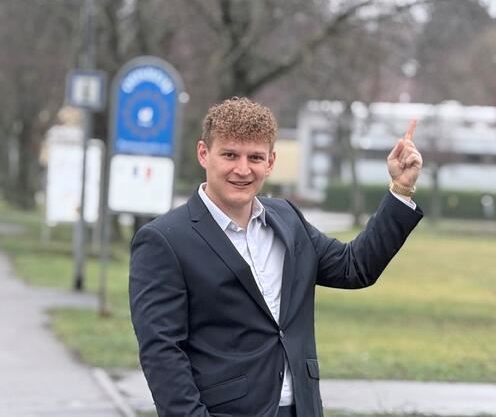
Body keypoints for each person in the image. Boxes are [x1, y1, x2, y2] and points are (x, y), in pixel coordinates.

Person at [129, 97, 423, 417]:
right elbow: (162, 352)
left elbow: (355, 267)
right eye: (230, 155)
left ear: (270, 162)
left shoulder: (287, 219)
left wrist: (400, 189)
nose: (243, 169)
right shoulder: (164, 240)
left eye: (255, 157)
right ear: (204, 154)